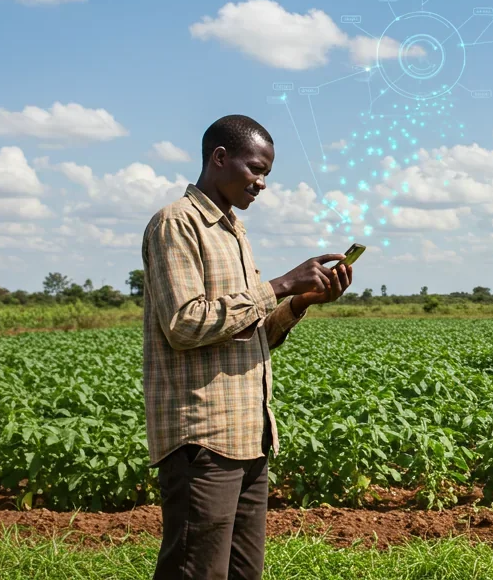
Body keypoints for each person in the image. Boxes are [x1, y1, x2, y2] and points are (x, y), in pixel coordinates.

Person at [141, 114, 352, 580]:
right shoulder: (176, 224)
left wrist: (299, 301)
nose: (261, 184)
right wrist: (277, 285)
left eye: (266, 175)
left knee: (242, 572)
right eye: (255, 170)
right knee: (196, 571)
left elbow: (253, 333)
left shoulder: (234, 231)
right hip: (203, 437)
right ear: (220, 158)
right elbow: (183, 323)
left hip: (248, 436)